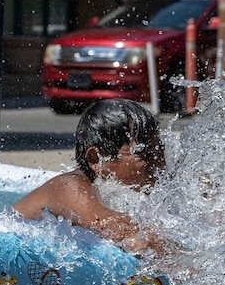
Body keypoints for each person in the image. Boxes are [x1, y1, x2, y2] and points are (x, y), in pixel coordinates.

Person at [12, 98, 177, 257]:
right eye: (144, 155)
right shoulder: (68, 186)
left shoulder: (117, 192)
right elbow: (120, 231)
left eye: (159, 151)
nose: (158, 164)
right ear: (96, 159)